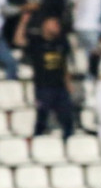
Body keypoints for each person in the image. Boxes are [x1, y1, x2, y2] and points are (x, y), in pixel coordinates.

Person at [14, 11, 75, 141]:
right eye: (53, 24)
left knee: (67, 117)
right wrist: (23, 22)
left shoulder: (62, 42)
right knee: (42, 116)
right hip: (43, 86)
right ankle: (37, 141)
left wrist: (68, 83)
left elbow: (64, 65)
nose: (56, 27)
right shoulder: (36, 42)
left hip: (60, 87)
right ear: (45, 26)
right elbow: (18, 40)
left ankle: (68, 142)